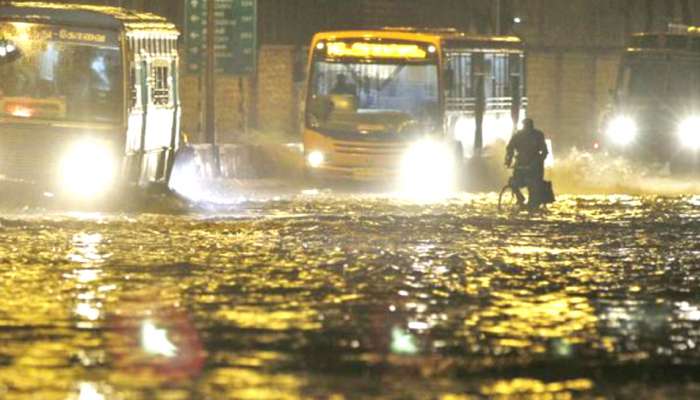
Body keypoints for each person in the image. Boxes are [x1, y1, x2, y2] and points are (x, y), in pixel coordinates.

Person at [505, 118, 549, 209]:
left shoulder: (538, 135)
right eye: (526, 126)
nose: (527, 128)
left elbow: (544, 151)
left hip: (534, 165)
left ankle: (533, 203)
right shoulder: (518, 135)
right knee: (512, 182)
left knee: (533, 185)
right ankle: (520, 198)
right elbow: (510, 148)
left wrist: (538, 162)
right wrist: (508, 160)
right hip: (521, 163)